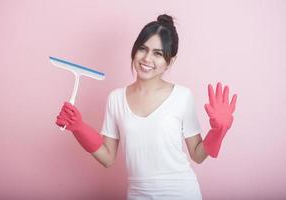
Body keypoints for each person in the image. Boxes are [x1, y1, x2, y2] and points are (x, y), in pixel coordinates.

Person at [55, 14, 237, 200]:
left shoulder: (182, 96)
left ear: (170, 61)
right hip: (137, 195)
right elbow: (107, 158)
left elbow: (198, 155)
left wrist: (218, 131)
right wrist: (79, 128)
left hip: (182, 193)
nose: (147, 58)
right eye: (143, 49)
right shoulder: (116, 98)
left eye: (158, 53)